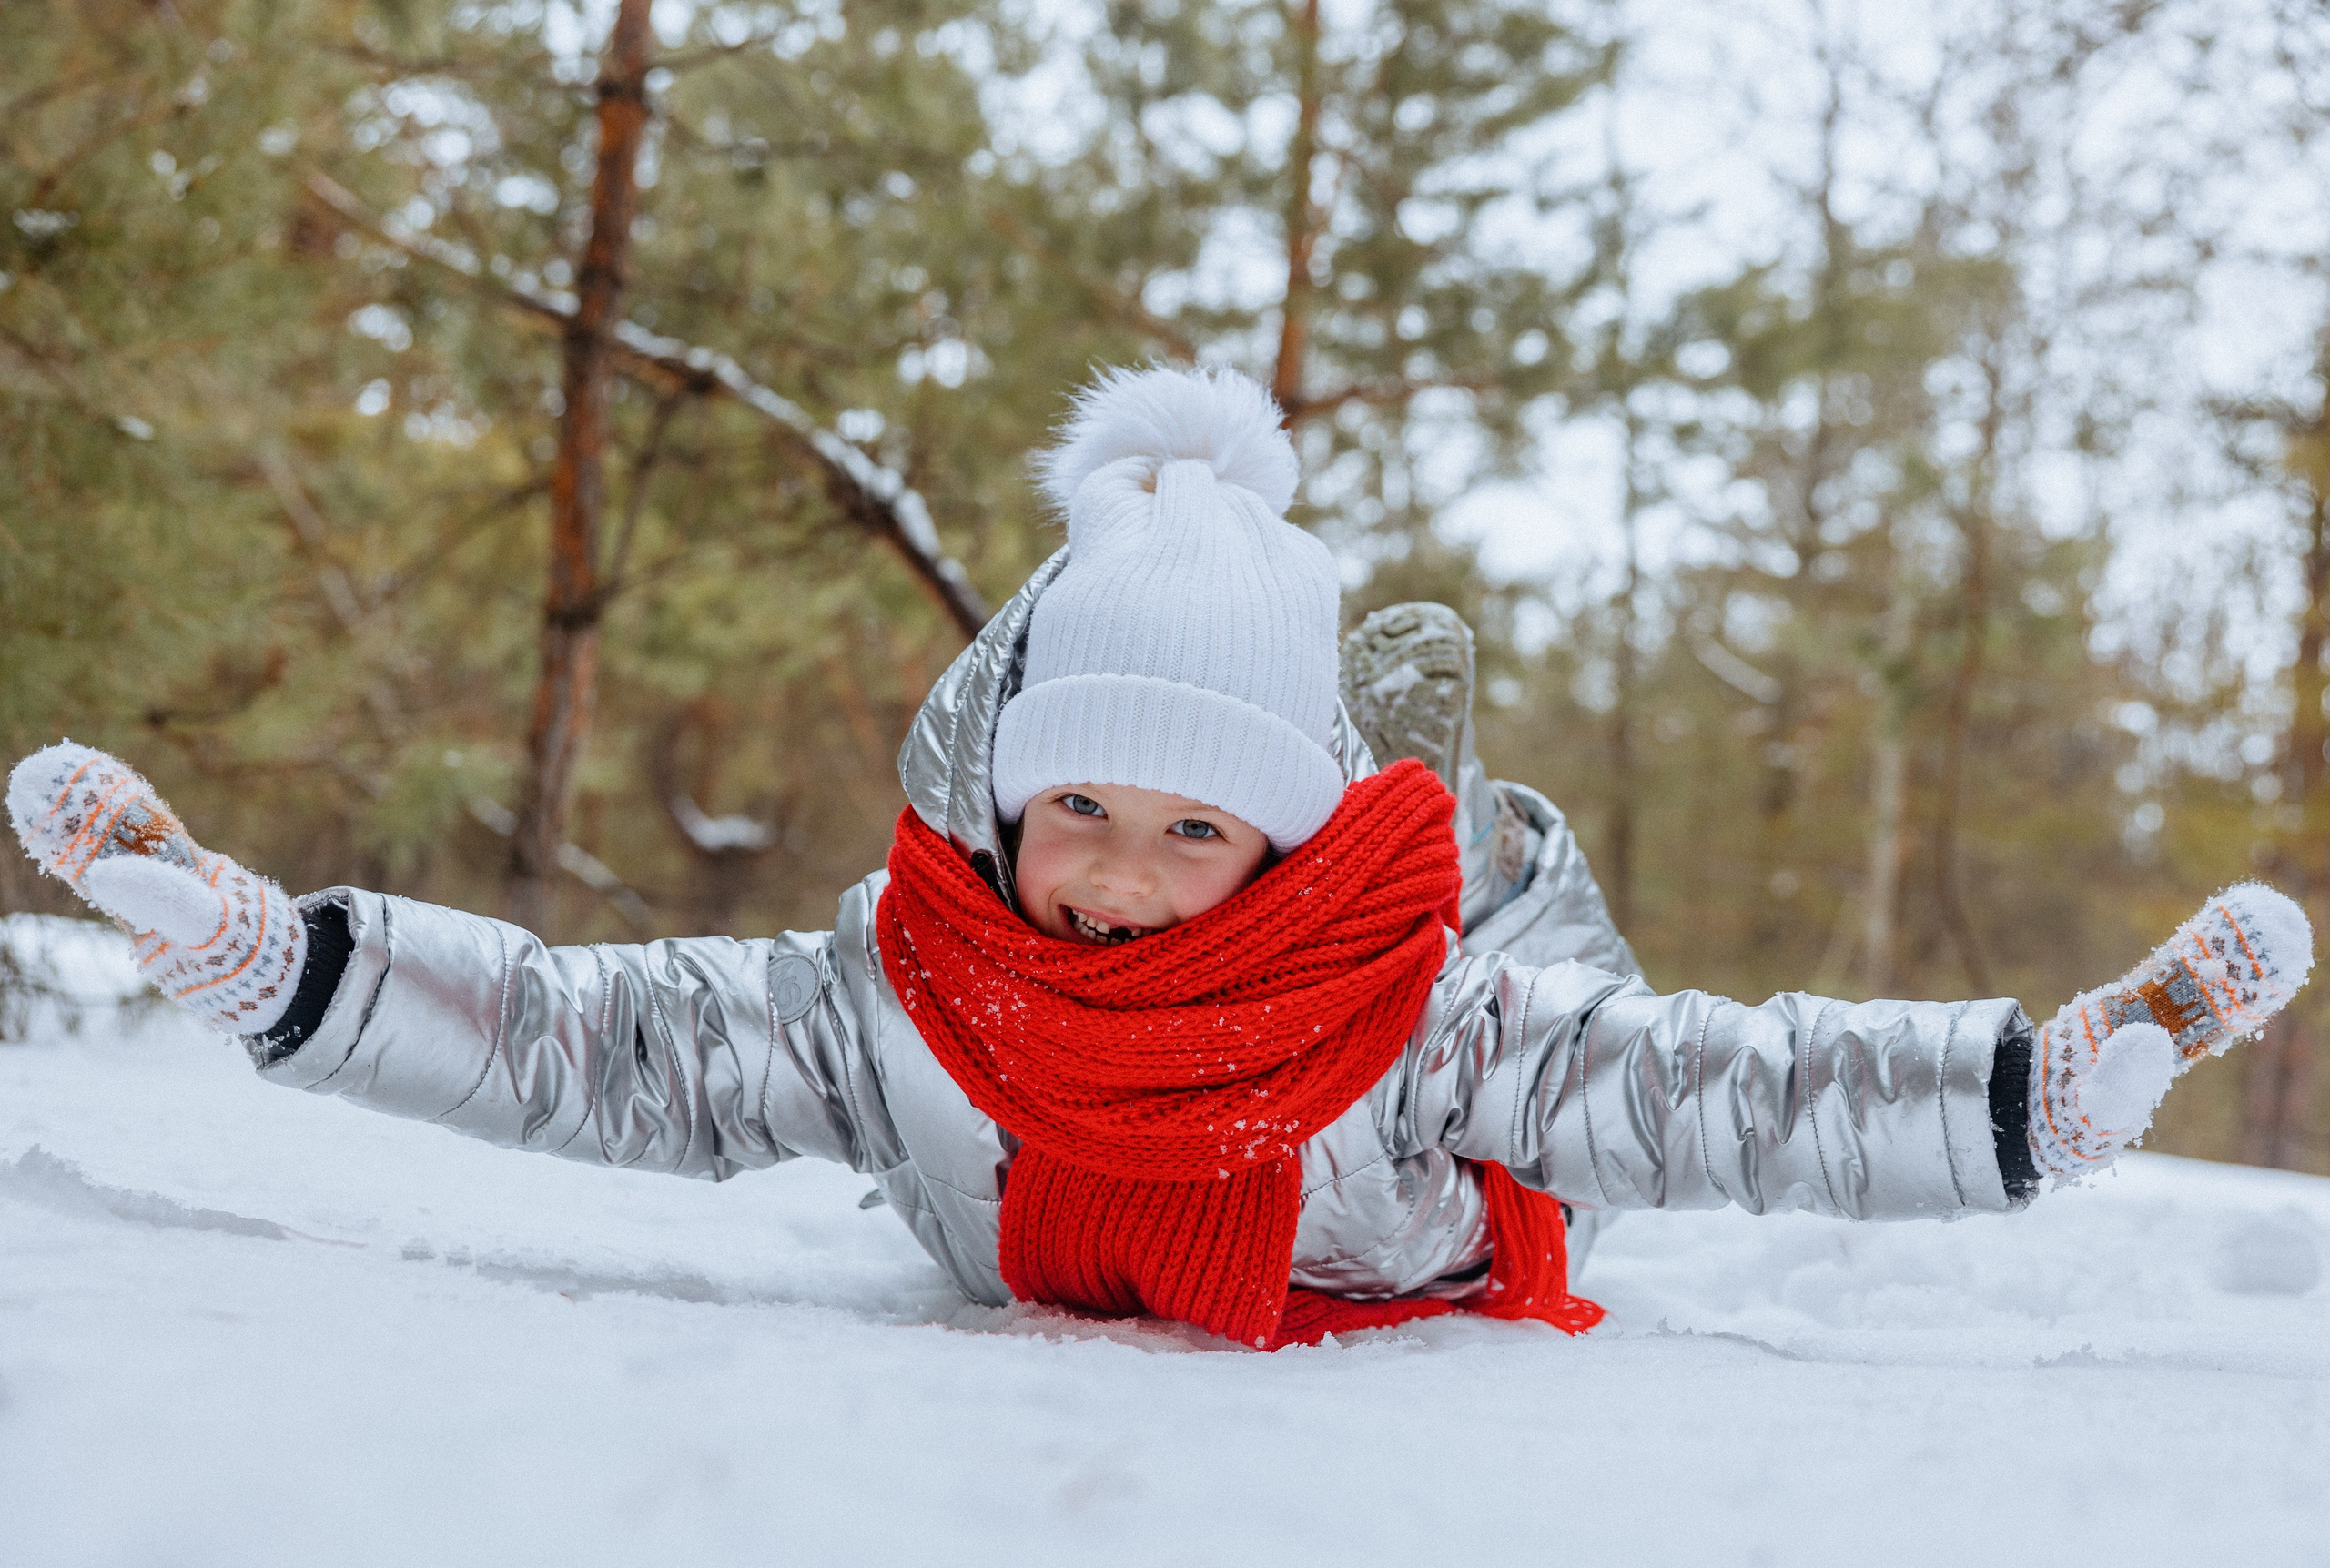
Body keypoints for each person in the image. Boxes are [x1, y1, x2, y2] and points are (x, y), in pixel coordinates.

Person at [8, 364, 2313, 1351]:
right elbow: (599, 1044)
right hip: (1218, 1093)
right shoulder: (901, 986)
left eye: (1184, 827)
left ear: (1272, 841)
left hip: (1407, 1227)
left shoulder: (1427, 1026)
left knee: (1578, 1013)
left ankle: (1452, 827)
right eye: (1072, 809)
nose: (1102, 873)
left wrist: (2041, 1081)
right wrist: (267, 954)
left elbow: (1719, 1087)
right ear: (1002, 793)